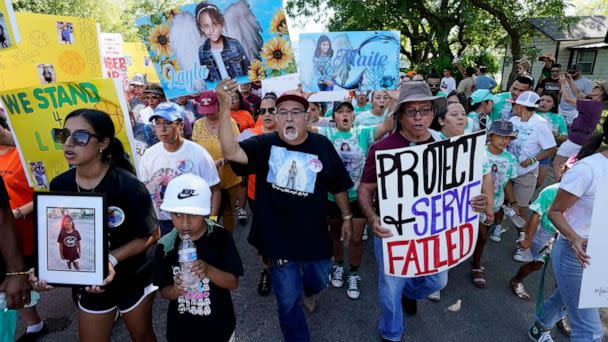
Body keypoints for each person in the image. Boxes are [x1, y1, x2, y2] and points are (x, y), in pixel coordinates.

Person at [218, 78, 353, 341]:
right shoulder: (263, 145)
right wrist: (224, 107)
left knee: (319, 279)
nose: (289, 118)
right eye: (282, 112)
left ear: (307, 118)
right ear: (276, 119)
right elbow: (232, 152)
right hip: (277, 240)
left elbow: (338, 185)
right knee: (288, 302)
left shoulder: (321, 145)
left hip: (314, 235)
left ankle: (309, 290)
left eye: (295, 112)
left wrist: (347, 216)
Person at [357, 81, 490, 341]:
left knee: (437, 282)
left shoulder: (446, 147)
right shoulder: (383, 149)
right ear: (400, 115)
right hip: (392, 231)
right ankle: (391, 332)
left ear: (433, 114)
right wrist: (372, 219)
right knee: (390, 287)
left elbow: (460, 187)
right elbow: (364, 190)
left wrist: (477, 201)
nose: (419, 117)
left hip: (434, 229)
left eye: (425, 110)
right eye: (411, 111)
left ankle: (412, 292)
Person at [41, 109, 157, 341]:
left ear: (103, 143)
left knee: (142, 335)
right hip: (89, 281)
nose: (69, 143)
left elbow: (152, 233)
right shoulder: (59, 184)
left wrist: (110, 260)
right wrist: (44, 267)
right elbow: (57, 234)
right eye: (64, 135)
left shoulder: (128, 186)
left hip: (132, 276)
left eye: (80, 137)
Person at [528, 118, 608, 342]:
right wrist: (574, 237)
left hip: (601, 254)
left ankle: (539, 328)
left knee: (565, 297)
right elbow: (555, 212)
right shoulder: (588, 169)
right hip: (574, 254)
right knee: (590, 331)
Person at [312, 100, 394, 300]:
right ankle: (339, 266)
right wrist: (304, 97)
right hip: (332, 197)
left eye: (349, 111)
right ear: (334, 117)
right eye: (340, 112)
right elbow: (301, 126)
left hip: (358, 196)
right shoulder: (326, 134)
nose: (345, 115)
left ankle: (354, 273)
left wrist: (393, 99)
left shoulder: (363, 133)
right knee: (336, 236)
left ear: (354, 116)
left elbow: (388, 124)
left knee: (356, 239)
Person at [154, 173, 243, 342]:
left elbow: (233, 282)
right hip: (181, 332)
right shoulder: (165, 247)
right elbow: (164, 292)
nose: (185, 223)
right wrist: (177, 289)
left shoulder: (220, 238)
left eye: (193, 215)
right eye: (177, 215)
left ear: (205, 211)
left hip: (219, 329)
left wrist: (208, 270)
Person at [138, 102, 221, 236]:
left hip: (195, 222)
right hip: (163, 224)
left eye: (168, 123)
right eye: (158, 123)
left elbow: (215, 189)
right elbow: (145, 192)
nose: (162, 129)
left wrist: (212, 220)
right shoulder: (148, 155)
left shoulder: (199, 153)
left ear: (180, 125)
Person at [0, 117, 47, 340]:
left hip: (33, 232)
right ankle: (34, 324)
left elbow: (44, 191)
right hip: (8, 239)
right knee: (14, 281)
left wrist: (18, 212)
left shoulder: (26, 154)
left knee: (44, 279)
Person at [507, 91, 557, 262]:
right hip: (507, 170)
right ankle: (498, 227)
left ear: (520, 106)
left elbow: (551, 148)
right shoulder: (513, 120)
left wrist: (534, 159)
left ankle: (523, 241)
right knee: (502, 203)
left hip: (526, 173)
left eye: (514, 104)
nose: (512, 106)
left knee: (521, 209)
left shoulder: (541, 124)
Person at [237, 94, 278, 297]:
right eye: (263, 111)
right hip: (258, 197)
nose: (267, 114)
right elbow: (234, 152)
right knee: (263, 238)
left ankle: (290, 270)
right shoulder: (249, 135)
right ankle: (266, 270)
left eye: (272, 109)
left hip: (286, 197)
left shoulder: (289, 133)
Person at [192, 91, 245, 232]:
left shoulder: (230, 123)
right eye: (205, 111)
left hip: (228, 177)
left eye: (211, 109)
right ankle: (211, 235)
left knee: (228, 211)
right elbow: (195, 150)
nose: (208, 114)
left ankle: (227, 239)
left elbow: (237, 147)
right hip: (207, 180)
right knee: (209, 213)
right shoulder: (197, 125)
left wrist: (222, 160)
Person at [476, 121, 518, 279]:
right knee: (479, 235)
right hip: (475, 203)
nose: (504, 140)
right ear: (490, 135)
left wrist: (513, 202)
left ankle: (476, 262)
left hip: (495, 204)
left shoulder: (511, 159)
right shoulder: (479, 153)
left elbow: (507, 183)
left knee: (482, 237)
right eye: (500, 136)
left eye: (507, 137)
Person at [553, 79, 607, 181]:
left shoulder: (591, 105)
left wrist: (563, 83)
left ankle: (558, 188)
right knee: (569, 168)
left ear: (602, 92)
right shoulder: (596, 104)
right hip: (583, 141)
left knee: (558, 164)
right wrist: (570, 80)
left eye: (597, 87)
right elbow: (578, 94)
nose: (593, 87)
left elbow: (568, 99)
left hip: (575, 140)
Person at [196, 2, 250, 82]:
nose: (211, 30)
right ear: (201, 28)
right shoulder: (202, 51)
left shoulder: (235, 44)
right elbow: (207, 78)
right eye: (206, 26)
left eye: (214, 24)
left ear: (221, 23)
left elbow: (248, 70)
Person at [535, 92, 568, 188]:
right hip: (528, 151)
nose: (544, 103)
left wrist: (556, 135)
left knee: (539, 182)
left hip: (545, 153)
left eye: (548, 101)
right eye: (542, 100)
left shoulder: (558, 118)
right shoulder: (531, 113)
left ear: (554, 105)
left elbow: (565, 137)